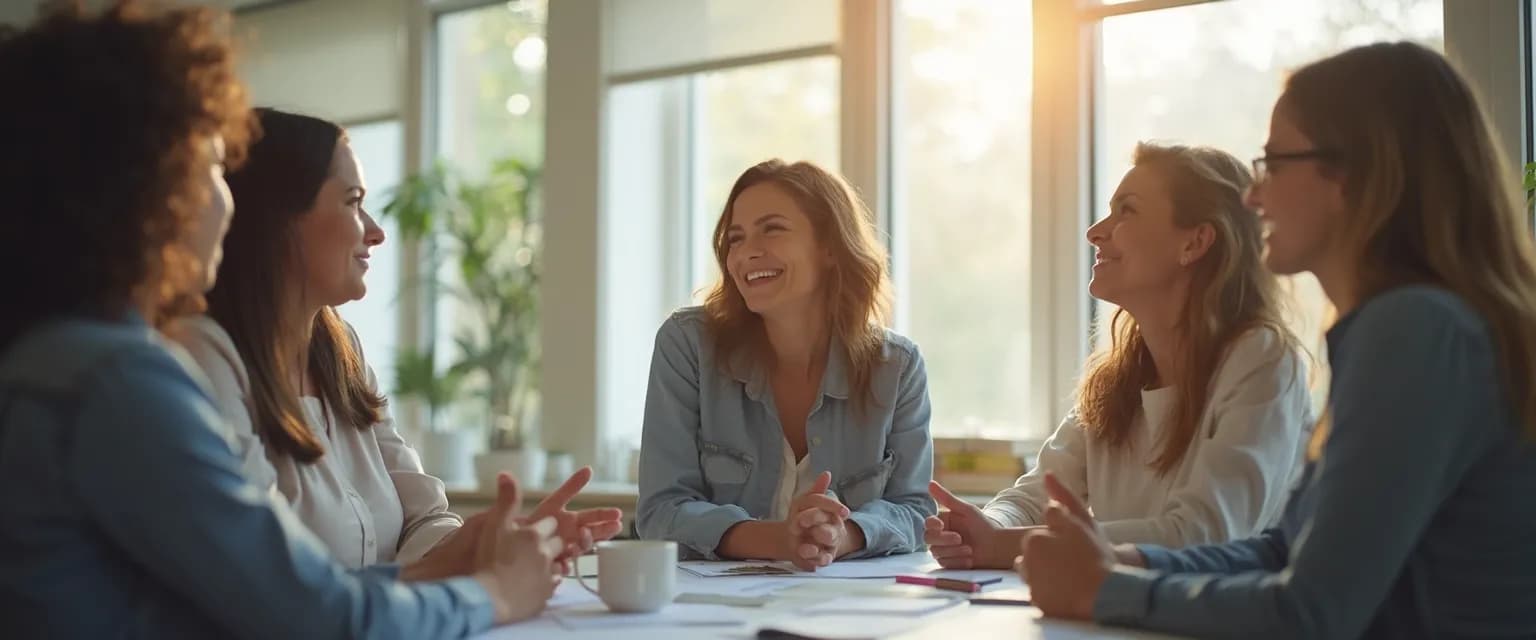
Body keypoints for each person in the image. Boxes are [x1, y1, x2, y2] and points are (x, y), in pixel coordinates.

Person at [0, 3, 573, 636]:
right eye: (214, 167)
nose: (227, 197)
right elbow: (314, 617)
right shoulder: (118, 381)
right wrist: (494, 596)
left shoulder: (57, 360)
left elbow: (271, 596)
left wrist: (453, 562)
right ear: (150, 186)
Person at [1021, 42, 1536, 639]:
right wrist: (1126, 562)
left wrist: (1106, 590)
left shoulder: (1414, 331)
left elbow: (1310, 611)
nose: (1252, 195)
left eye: (1274, 164)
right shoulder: (1405, 327)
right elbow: (1283, 551)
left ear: (1352, 175)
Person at [165, 108, 622, 568]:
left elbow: (424, 518)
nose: (377, 231)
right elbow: (276, 581)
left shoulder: (340, 350)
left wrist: (495, 547)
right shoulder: (205, 359)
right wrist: (474, 572)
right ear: (280, 218)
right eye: (352, 201)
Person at [925, 143, 1311, 569]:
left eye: (1126, 211)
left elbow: (1205, 533)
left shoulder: (1263, 359)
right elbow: (1032, 498)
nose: (1095, 232)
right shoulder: (1116, 377)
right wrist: (984, 524)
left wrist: (1002, 543)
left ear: (1195, 242)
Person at [636, 159, 936, 569]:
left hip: (848, 612)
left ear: (829, 246)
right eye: (735, 239)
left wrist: (841, 536)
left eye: (772, 229)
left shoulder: (896, 367)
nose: (746, 253)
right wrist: (779, 539)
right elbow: (660, 513)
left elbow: (916, 512)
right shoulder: (688, 344)